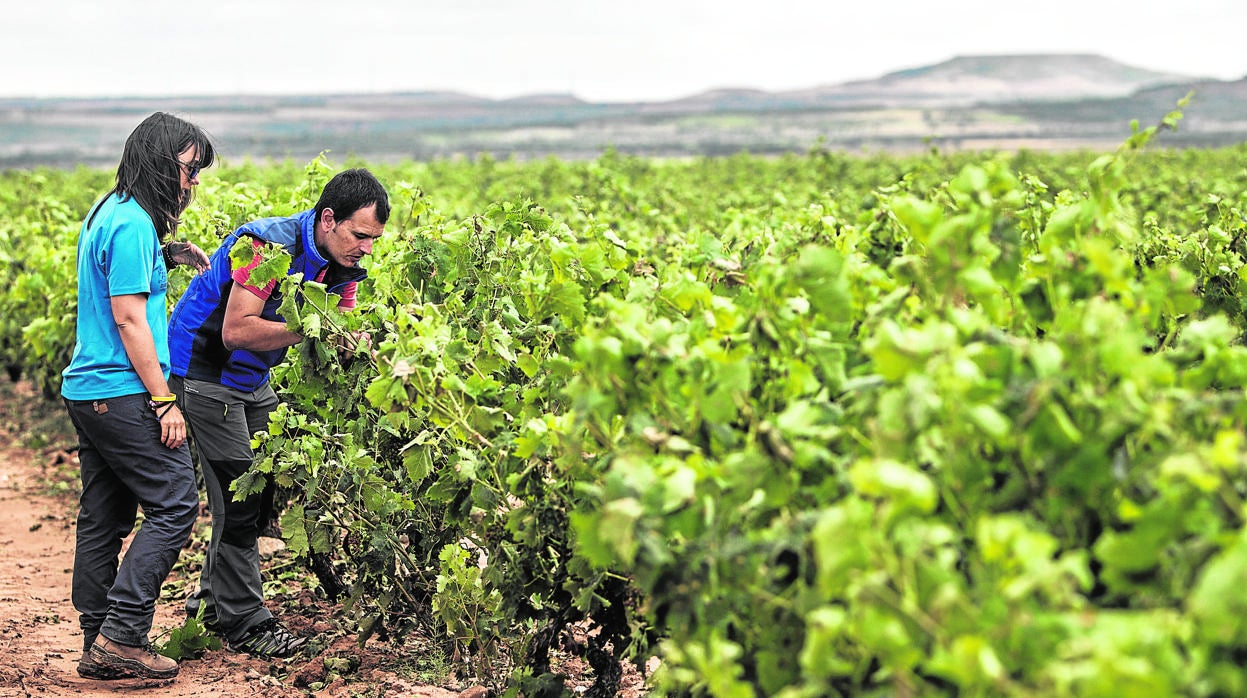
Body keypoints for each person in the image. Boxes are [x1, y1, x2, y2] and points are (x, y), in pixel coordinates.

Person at [167, 168, 389, 658]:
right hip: (203, 371)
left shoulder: (344, 264)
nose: (366, 248)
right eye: (360, 235)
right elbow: (237, 331)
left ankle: (209, 606)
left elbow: (339, 325)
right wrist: (312, 328)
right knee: (238, 500)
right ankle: (247, 623)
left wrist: (359, 342)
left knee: (259, 491)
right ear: (328, 219)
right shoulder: (270, 249)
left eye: (374, 239)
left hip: (252, 379)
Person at [60, 112, 215, 680]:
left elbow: (114, 282)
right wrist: (163, 401)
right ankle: (123, 636)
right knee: (175, 504)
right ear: (160, 163)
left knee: (104, 514)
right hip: (123, 391)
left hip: (88, 390)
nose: (193, 182)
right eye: (189, 169)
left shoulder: (112, 212)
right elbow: (129, 320)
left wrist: (166, 255)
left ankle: (96, 639)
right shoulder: (131, 227)